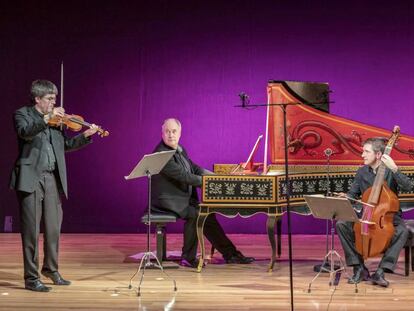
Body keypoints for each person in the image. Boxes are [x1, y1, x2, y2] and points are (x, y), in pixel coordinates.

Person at [10, 80, 99, 292]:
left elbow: (64, 146)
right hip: (31, 177)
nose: (53, 103)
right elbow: (25, 132)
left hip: (51, 178)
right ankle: (31, 278)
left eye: (54, 99)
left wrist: (84, 136)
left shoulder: (57, 121)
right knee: (31, 231)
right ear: (37, 99)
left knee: (53, 228)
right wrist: (46, 118)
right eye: (49, 99)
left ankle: (51, 268)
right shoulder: (22, 114)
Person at [151, 118, 255, 268]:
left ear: (180, 133)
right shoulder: (161, 154)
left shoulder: (179, 149)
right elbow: (185, 177)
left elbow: (195, 169)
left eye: (174, 131)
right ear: (162, 134)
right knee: (198, 214)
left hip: (180, 197)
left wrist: (217, 178)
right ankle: (188, 257)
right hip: (167, 200)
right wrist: (211, 183)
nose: (171, 135)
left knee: (207, 215)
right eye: (167, 131)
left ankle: (231, 254)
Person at [336, 137, 412, 287]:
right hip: (366, 213)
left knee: (402, 231)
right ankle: (359, 268)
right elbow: (353, 194)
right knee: (342, 224)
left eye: (366, 151)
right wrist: (345, 197)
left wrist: (395, 169)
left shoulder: (391, 171)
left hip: (388, 217)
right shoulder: (362, 171)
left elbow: (409, 186)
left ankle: (381, 271)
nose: (362, 155)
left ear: (378, 155)